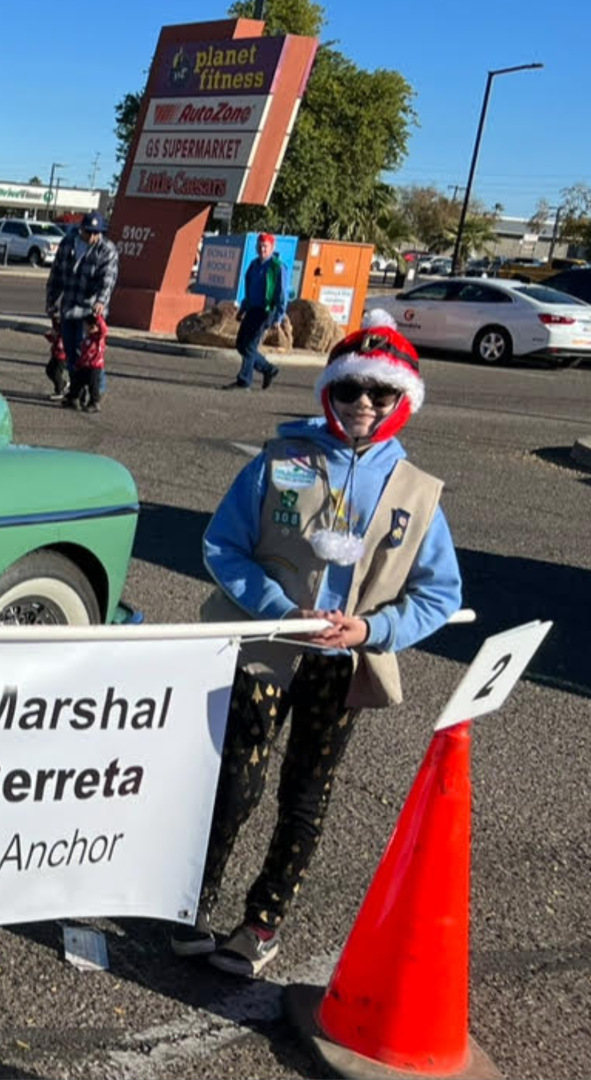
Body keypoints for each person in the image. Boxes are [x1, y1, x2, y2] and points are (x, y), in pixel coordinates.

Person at [183, 311, 462, 977]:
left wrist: (373, 630)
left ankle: (262, 920)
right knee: (233, 783)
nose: (363, 404)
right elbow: (222, 545)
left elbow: (439, 594)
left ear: (404, 401)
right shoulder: (282, 461)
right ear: (328, 392)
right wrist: (280, 608)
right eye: (349, 389)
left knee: (306, 795)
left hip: (341, 667)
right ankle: (192, 901)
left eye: (380, 393)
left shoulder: (419, 496)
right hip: (267, 651)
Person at [44, 210, 118, 409]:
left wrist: (101, 302)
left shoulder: (107, 250)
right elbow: (57, 275)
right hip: (69, 307)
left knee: (89, 354)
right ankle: (76, 392)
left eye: (97, 232)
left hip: (90, 313)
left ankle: (95, 392)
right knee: (70, 353)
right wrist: (51, 301)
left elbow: (107, 280)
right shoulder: (68, 244)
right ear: (81, 230)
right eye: (89, 231)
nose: (93, 236)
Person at [226, 232, 286, 390]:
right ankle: (268, 369)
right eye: (259, 246)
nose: (262, 249)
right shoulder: (253, 265)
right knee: (241, 344)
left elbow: (282, 295)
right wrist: (242, 309)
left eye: (265, 246)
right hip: (252, 309)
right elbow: (249, 290)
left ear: (272, 248)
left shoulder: (277, 267)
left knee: (250, 346)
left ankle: (244, 381)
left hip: (265, 311)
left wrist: (278, 317)